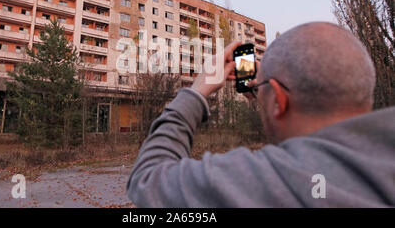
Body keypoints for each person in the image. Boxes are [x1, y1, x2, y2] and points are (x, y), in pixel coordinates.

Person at [126, 22, 395, 207]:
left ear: (279, 99)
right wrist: (271, 95)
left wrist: (198, 90)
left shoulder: (271, 181)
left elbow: (148, 180)